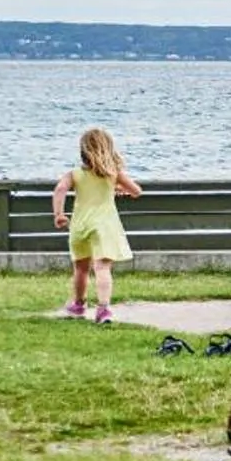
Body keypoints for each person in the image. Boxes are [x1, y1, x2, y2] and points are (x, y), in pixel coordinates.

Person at [53, 127, 143, 323]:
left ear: (83, 151)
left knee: (81, 269)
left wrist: (59, 214)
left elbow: (60, 189)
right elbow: (136, 191)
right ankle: (103, 309)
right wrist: (118, 187)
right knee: (102, 268)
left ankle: (78, 304)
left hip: (80, 225)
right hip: (104, 226)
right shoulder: (113, 174)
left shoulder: (74, 174)